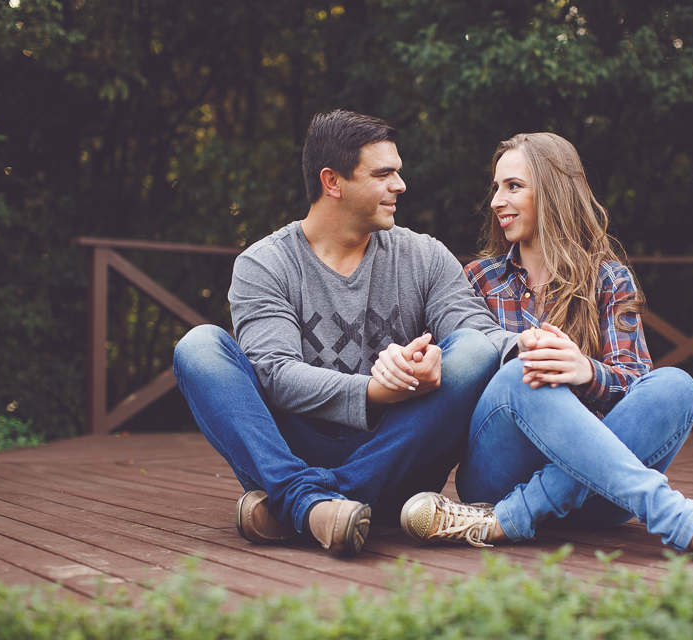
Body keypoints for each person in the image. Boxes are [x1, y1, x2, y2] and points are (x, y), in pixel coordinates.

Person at [394, 133, 693, 566]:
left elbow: (636, 379)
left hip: (600, 495)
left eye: (513, 186)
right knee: (524, 371)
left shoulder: (610, 280)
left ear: (553, 192)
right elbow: (453, 371)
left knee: (676, 386)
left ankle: (505, 521)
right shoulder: (478, 278)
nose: (497, 200)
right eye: (496, 187)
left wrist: (586, 373)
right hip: (497, 472)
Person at [172, 110, 520, 558]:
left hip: (395, 455)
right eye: (384, 174)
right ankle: (311, 499)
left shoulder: (425, 256)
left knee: (473, 351)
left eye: (398, 171)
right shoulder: (264, 264)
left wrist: (517, 347)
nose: (400, 185)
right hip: (297, 445)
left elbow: (476, 333)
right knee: (198, 346)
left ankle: (301, 504)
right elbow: (275, 373)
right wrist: (375, 390)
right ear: (332, 182)